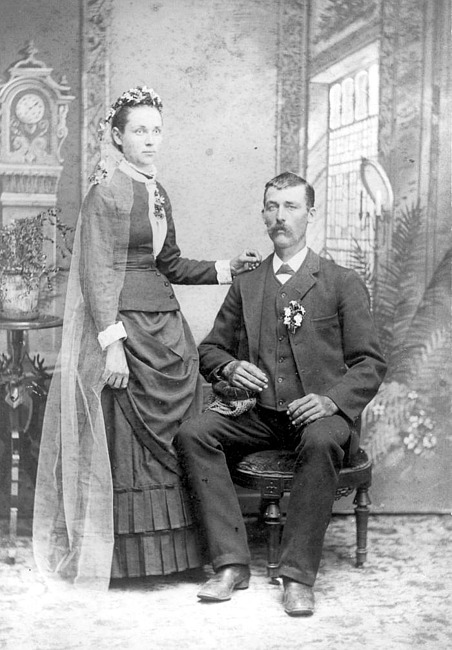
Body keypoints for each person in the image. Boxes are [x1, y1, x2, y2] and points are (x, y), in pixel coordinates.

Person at [32, 86, 260, 590]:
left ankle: (183, 556)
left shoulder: (158, 191)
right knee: (132, 441)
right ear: (117, 136)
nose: (151, 140)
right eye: (140, 130)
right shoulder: (106, 191)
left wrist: (228, 267)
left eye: (156, 130)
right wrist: (111, 342)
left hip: (168, 329)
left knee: (184, 434)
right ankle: (130, 563)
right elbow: (95, 271)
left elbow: (170, 263)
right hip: (128, 332)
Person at [175, 171, 387, 616]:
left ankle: (296, 576)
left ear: (311, 214)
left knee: (323, 437)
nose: (280, 216)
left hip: (318, 417)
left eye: (290, 206)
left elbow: (370, 362)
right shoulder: (248, 283)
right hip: (259, 414)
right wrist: (231, 365)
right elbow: (210, 349)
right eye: (272, 207)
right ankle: (231, 564)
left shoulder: (339, 281)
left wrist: (331, 401)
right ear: (263, 215)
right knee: (195, 433)